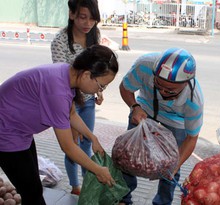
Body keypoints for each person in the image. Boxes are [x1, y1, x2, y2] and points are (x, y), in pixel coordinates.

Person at [0, 44, 118, 205]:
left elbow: (71, 114)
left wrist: (93, 138)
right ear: (86, 74)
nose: (100, 90)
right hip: (6, 132)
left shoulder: (66, 73)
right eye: (101, 85)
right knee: (32, 192)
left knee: (32, 187)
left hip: (19, 131)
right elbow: (68, 147)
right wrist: (97, 170)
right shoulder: (57, 90)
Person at [119, 48, 204, 205]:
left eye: (171, 91)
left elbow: (191, 138)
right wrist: (134, 107)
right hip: (144, 108)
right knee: (127, 155)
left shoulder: (194, 100)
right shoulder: (144, 65)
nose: (163, 92)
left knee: (171, 165)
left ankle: (162, 202)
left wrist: (175, 166)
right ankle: (123, 198)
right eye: (158, 85)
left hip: (176, 121)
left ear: (186, 83)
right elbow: (125, 88)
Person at [50, 0, 102, 195]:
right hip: (68, 103)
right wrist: (70, 117)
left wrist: (98, 91)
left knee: (87, 143)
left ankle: (88, 183)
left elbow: (96, 69)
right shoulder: (60, 41)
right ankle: (75, 187)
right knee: (72, 146)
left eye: (92, 18)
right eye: (83, 17)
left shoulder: (94, 35)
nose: (88, 23)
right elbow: (60, 80)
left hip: (88, 102)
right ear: (72, 14)